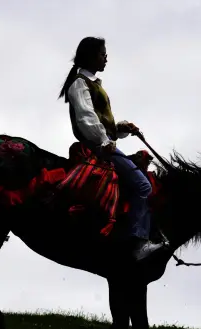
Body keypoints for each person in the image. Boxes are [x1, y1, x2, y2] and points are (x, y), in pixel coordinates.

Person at [59, 36, 168, 261]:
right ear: (90, 56)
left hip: (102, 144)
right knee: (144, 186)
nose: (106, 58)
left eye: (105, 54)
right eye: (102, 54)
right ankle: (139, 242)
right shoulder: (80, 83)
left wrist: (120, 128)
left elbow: (99, 121)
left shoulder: (92, 83)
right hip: (97, 147)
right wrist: (104, 140)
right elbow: (86, 118)